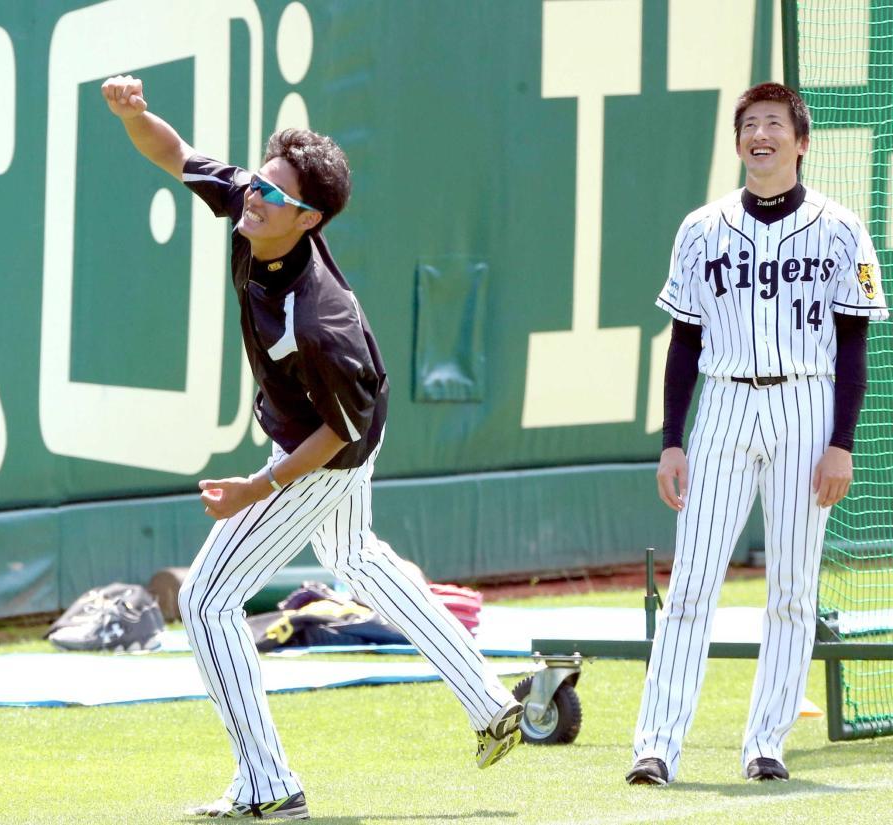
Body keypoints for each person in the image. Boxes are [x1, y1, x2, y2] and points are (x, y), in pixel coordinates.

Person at [101, 75, 522, 820]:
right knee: (354, 559)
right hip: (333, 418)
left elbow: (338, 434)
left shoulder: (319, 319)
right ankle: (490, 703)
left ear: (311, 219)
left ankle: (269, 784)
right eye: (258, 182)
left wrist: (254, 488)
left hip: (329, 444)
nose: (254, 196)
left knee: (205, 599)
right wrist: (136, 115)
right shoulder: (255, 207)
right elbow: (175, 153)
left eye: (275, 195)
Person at [627, 82, 888, 786]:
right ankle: (656, 744)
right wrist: (672, 440)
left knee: (795, 588)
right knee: (692, 583)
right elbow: (683, 344)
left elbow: (854, 345)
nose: (760, 134)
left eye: (774, 123)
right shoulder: (701, 227)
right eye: (749, 124)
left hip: (807, 405)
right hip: (725, 403)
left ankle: (765, 742)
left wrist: (843, 442)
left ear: (801, 142)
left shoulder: (842, 228)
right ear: (739, 140)